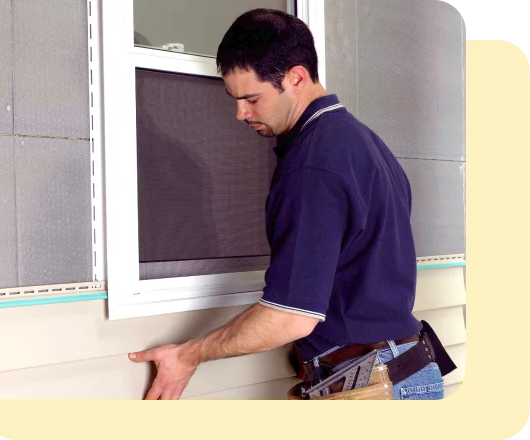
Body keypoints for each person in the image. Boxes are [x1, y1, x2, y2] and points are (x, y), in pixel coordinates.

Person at [128, 8, 455, 400]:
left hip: (373, 391)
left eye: (251, 99)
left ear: (296, 77)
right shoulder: (364, 143)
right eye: (234, 99)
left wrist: (188, 355)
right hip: (405, 371)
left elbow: (290, 316)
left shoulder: (313, 164)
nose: (240, 114)